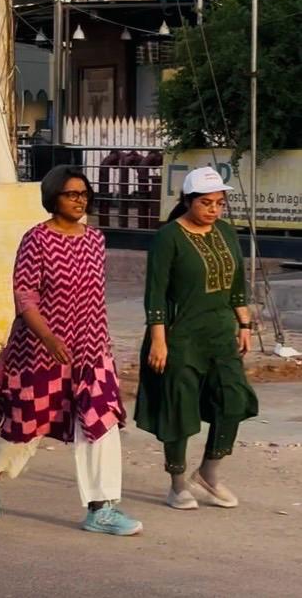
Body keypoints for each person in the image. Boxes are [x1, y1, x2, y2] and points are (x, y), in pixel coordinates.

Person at [0, 165, 142, 536]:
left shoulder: (95, 239)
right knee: (26, 426)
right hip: (40, 353)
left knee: (100, 423)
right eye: (71, 194)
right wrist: (49, 338)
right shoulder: (37, 240)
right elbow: (25, 295)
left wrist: (101, 345)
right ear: (53, 198)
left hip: (91, 351)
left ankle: (101, 508)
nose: (80, 200)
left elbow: (95, 298)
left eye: (84, 194)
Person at [135, 166, 258, 510]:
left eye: (219, 203)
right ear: (188, 200)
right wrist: (158, 340)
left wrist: (244, 324)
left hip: (220, 333)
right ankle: (177, 485)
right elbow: (155, 292)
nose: (214, 209)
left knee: (234, 399)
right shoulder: (169, 237)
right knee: (179, 409)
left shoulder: (226, 233)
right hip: (180, 337)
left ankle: (208, 474)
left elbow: (236, 284)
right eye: (206, 202)